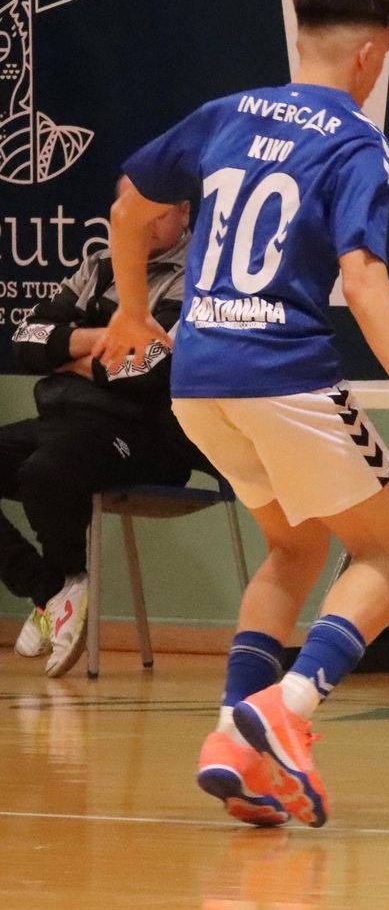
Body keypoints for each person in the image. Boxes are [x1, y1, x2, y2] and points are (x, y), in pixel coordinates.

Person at [95, 0, 389, 829]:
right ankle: (284, 711)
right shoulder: (356, 141)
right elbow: (364, 276)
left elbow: (127, 208)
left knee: (295, 549)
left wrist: (127, 310)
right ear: (374, 57)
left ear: (299, 37)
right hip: (283, 373)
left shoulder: (226, 113)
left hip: (197, 376)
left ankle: (234, 746)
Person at [3, 184, 198, 678]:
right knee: (45, 460)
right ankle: (53, 589)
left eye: (156, 211)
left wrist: (64, 353)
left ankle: (62, 590)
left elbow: (150, 371)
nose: (142, 221)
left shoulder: (200, 274)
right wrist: (100, 341)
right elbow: (24, 340)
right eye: (131, 209)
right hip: (67, 419)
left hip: (150, 433)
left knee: (46, 472)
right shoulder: (98, 266)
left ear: (183, 210)